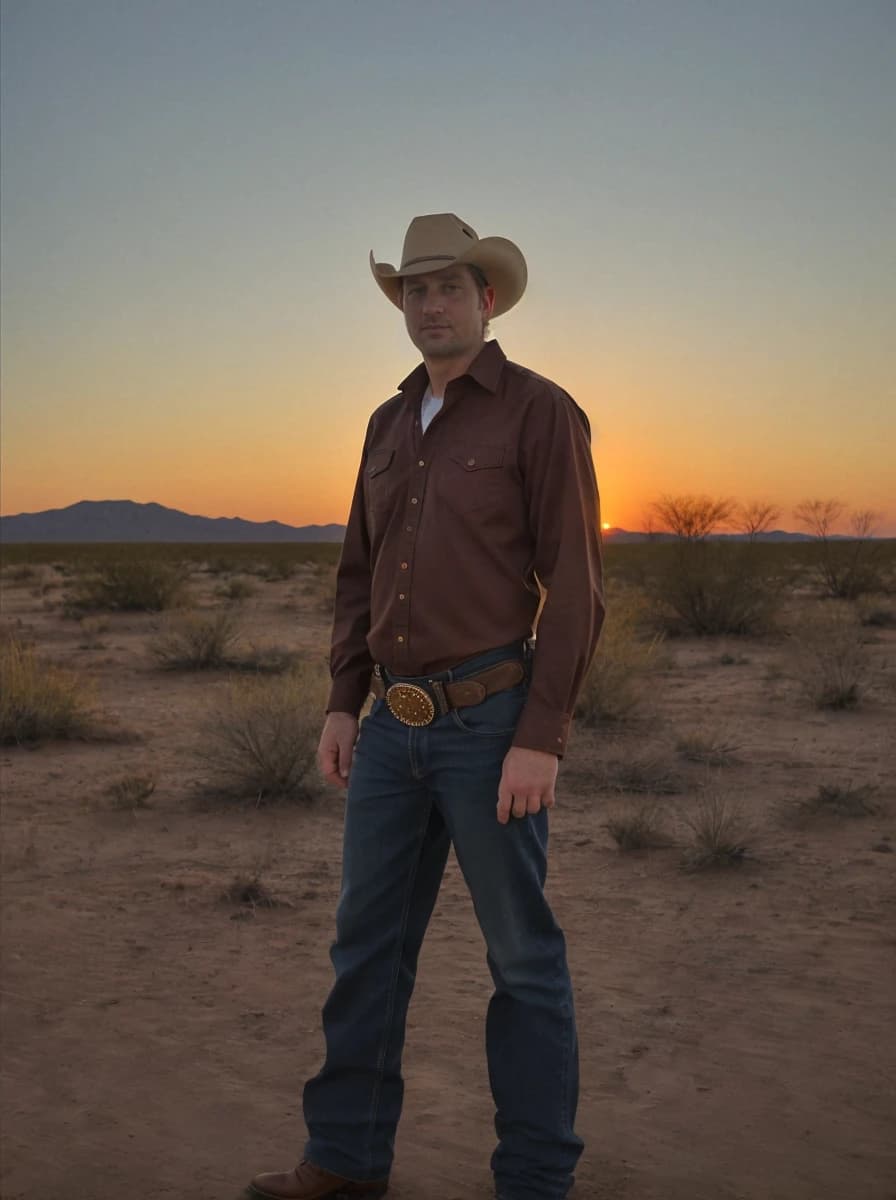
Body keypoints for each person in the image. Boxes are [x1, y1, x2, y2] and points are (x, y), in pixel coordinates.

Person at [247, 213, 605, 1200]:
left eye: (448, 286)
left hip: (490, 728)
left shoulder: (539, 412)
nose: (430, 304)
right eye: (413, 290)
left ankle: (534, 1180)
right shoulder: (386, 423)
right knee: (366, 948)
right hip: (388, 728)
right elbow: (357, 573)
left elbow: (574, 587)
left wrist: (541, 736)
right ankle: (345, 1161)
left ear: (487, 300)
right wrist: (338, 700)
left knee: (521, 960)